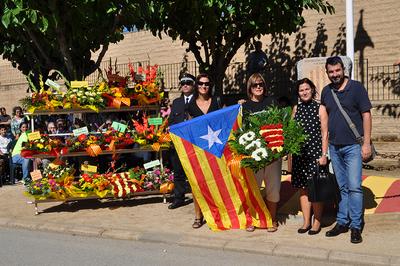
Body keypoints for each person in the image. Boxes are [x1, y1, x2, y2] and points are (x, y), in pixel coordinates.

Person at [320, 56, 372, 244]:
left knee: (354, 187)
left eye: (337, 70)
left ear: (343, 70)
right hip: (334, 147)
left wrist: (366, 143)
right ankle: (342, 222)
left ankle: (356, 226)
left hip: (353, 147)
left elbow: (366, 115)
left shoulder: (356, 88)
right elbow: (324, 125)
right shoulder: (326, 92)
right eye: (331, 72)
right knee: (341, 187)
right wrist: (324, 151)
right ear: (327, 72)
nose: (334, 74)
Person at [240, 73, 281, 232]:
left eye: (261, 84)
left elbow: (279, 125)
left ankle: (272, 218)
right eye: (255, 85)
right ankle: (253, 218)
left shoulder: (272, 102)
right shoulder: (244, 107)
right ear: (250, 88)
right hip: (253, 155)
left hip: (272, 154)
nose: (258, 87)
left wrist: (277, 151)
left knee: (273, 188)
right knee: (253, 188)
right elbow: (241, 131)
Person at [291, 78, 328, 235]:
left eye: (307, 89)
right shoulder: (295, 109)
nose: (304, 92)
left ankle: (317, 221)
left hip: (315, 155)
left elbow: (325, 133)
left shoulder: (320, 108)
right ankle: (306, 221)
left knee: (316, 189)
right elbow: (291, 132)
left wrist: (324, 155)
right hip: (300, 156)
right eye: (301, 90)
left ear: (312, 90)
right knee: (303, 190)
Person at [187, 73, 222, 229]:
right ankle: (198, 216)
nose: (203, 86)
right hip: (198, 149)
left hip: (216, 147)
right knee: (198, 183)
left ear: (210, 86)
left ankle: (215, 215)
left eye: (206, 84)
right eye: (200, 83)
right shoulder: (190, 105)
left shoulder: (217, 101)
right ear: (196, 85)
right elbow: (187, 128)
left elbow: (226, 120)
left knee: (216, 183)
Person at [167, 73, 196, 210]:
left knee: (196, 173)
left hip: (194, 143)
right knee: (178, 172)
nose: (185, 85)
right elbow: (171, 120)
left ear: (193, 85)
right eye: (183, 82)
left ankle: (200, 198)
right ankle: (179, 198)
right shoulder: (177, 103)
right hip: (178, 143)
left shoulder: (198, 100)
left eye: (188, 82)